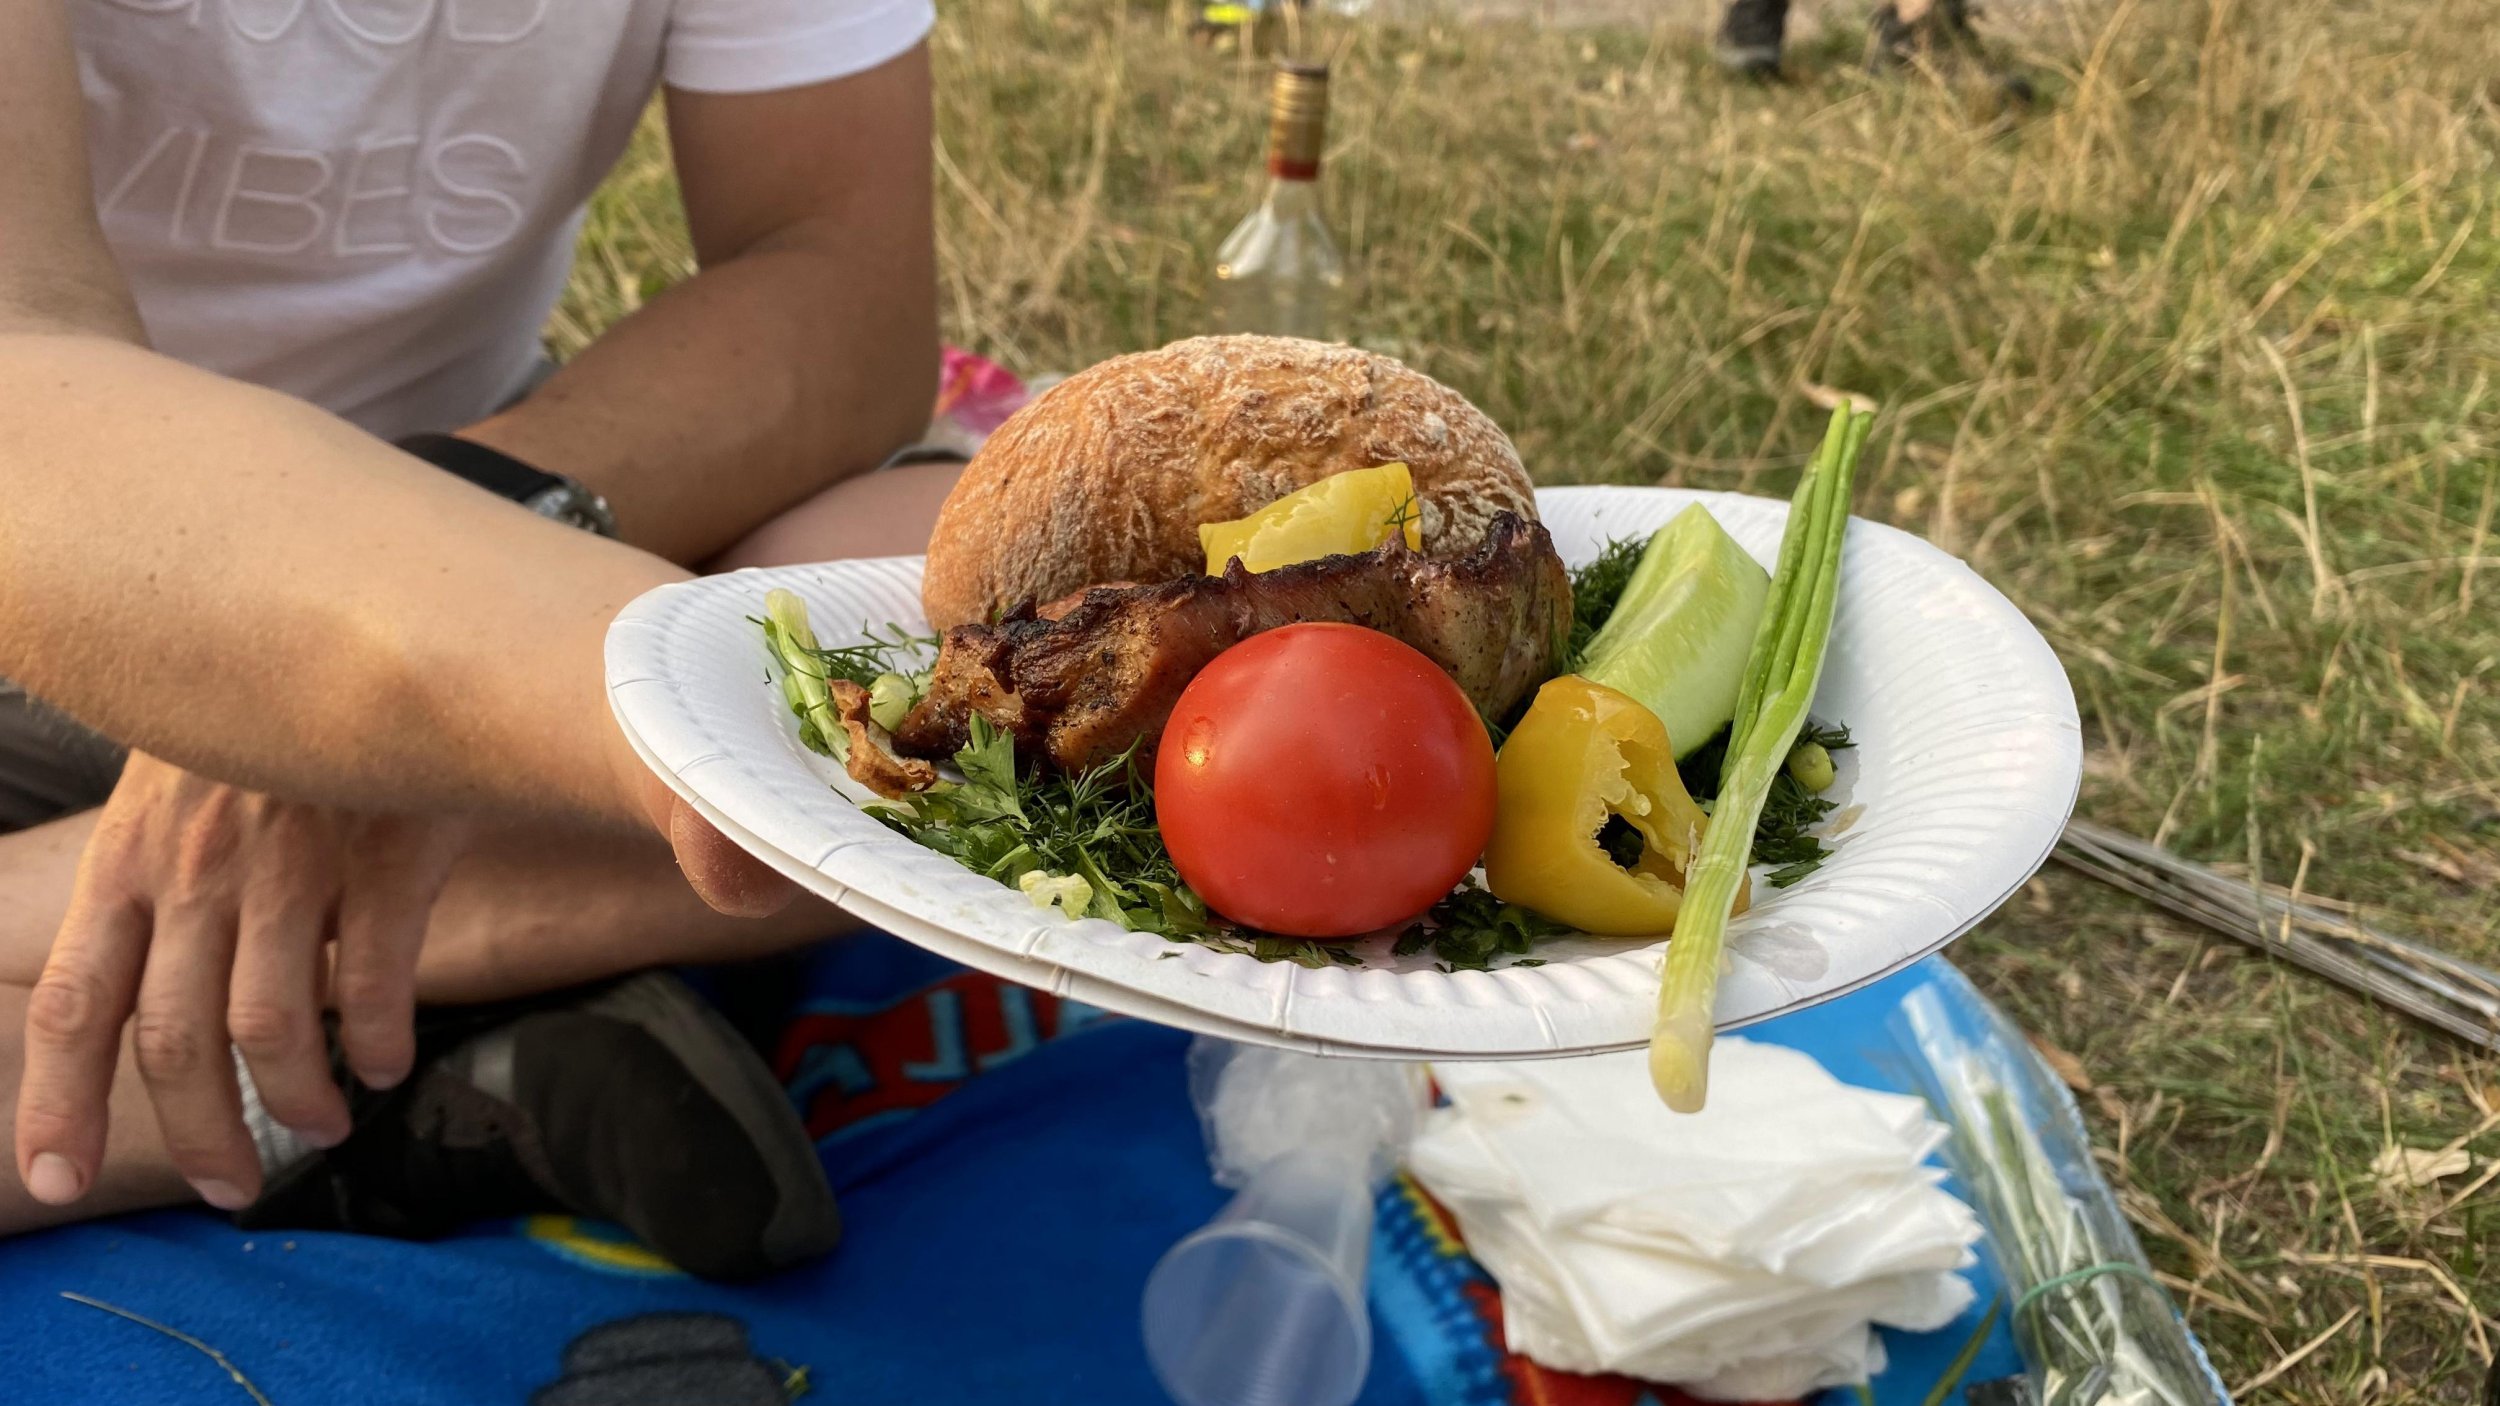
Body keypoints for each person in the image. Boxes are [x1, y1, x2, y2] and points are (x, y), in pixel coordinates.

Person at [0, 0, 959, 1276]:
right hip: (56, 565)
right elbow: (20, 366)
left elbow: (843, 287)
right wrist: (328, 651)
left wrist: (425, 612)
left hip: (502, 509)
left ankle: (254, 1024)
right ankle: (400, 1069)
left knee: (968, 618)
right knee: (874, 751)